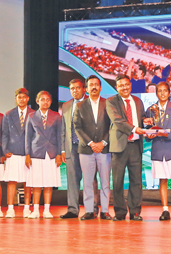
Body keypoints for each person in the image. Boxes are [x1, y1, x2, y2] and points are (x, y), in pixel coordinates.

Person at [144, 82, 171, 221]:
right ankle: (165, 210)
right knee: (162, 180)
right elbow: (148, 130)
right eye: (159, 91)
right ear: (156, 93)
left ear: (169, 93)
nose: (162, 93)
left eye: (165, 91)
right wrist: (148, 133)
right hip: (158, 150)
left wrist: (166, 134)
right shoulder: (151, 109)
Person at [107, 74, 147, 221]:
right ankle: (119, 212)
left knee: (136, 181)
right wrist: (134, 129)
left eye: (126, 84)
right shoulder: (111, 101)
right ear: (116, 88)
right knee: (117, 181)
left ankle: (135, 211)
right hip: (119, 146)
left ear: (130, 85)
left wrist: (146, 121)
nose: (124, 87)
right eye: (121, 85)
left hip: (135, 145)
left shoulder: (137, 101)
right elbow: (117, 121)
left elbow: (141, 119)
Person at [74, 75, 113, 220]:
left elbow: (112, 125)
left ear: (101, 87)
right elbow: (77, 127)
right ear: (87, 88)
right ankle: (89, 210)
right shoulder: (80, 106)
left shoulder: (108, 103)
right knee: (88, 181)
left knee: (105, 182)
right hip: (86, 150)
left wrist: (103, 143)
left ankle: (105, 211)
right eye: (91, 85)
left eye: (96, 84)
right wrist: (91, 143)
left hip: (104, 149)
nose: (94, 87)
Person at [25, 91, 63, 219]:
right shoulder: (31, 116)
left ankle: (47, 210)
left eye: (47, 99)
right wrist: (27, 155)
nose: (45, 102)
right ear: (37, 101)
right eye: (42, 99)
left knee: (48, 182)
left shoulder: (57, 116)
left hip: (51, 153)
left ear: (51, 102)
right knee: (36, 183)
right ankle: (35, 210)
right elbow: (28, 137)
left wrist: (59, 154)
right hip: (36, 153)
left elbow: (59, 136)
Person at [3, 88, 34, 218]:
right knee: (12, 181)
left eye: (24, 97)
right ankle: (10, 208)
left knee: (28, 182)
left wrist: (33, 152)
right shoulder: (9, 114)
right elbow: (4, 134)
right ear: (16, 99)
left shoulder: (33, 114)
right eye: (19, 97)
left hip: (28, 153)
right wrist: (5, 150)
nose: (21, 99)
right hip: (13, 152)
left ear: (28, 99)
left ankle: (27, 208)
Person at [61, 79, 89, 219]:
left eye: (78, 88)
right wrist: (63, 150)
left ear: (84, 89)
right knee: (72, 179)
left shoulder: (91, 103)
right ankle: (72, 209)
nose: (75, 91)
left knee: (90, 180)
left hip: (88, 147)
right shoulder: (66, 105)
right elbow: (63, 129)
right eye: (72, 88)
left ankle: (92, 209)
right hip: (71, 146)